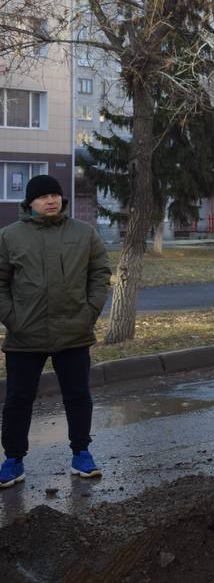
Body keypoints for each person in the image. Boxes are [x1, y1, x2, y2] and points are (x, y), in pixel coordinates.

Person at [0, 175, 112, 488]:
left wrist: (89, 313)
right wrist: (13, 318)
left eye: (55, 195)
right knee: (18, 400)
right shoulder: (10, 236)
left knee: (78, 396)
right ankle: (13, 460)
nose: (50, 201)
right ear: (29, 202)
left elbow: (100, 272)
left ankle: (82, 454)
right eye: (42, 196)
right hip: (25, 336)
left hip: (73, 333)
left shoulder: (83, 233)